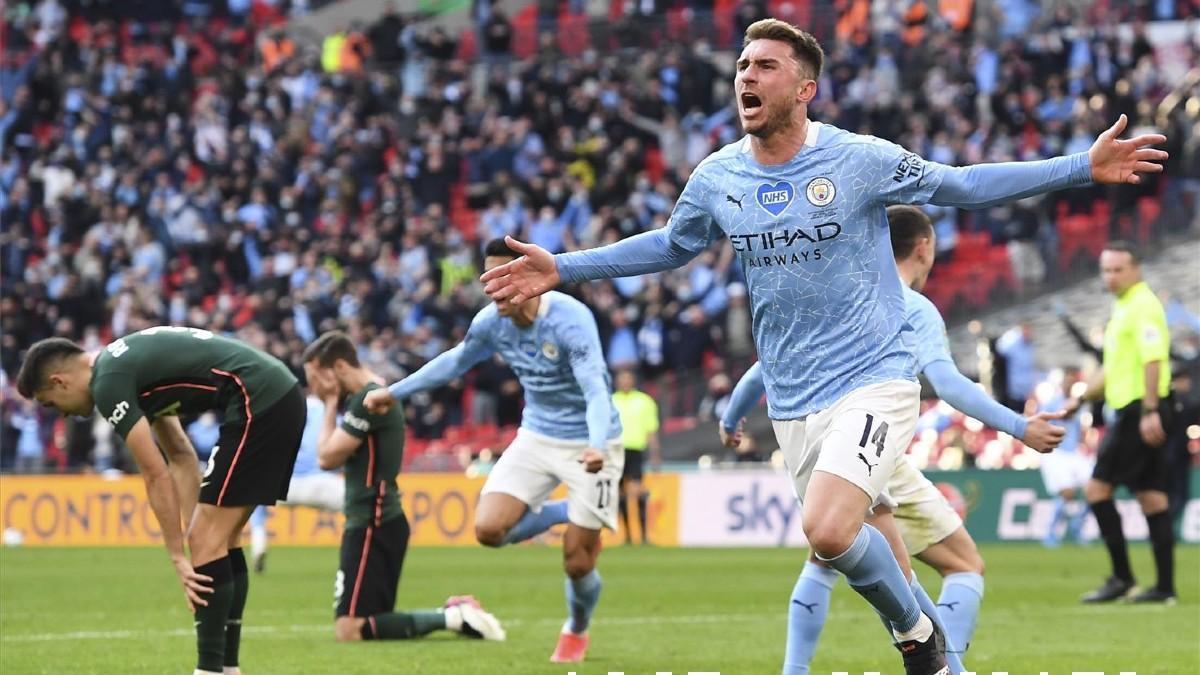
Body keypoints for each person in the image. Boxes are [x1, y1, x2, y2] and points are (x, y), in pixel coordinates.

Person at [478, 18, 1164, 674]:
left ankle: (919, 642)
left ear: (803, 89)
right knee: (862, 548)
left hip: (874, 380)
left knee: (829, 530)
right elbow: (668, 245)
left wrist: (1080, 165)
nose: (747, 76)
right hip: (795, 402)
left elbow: (963, 184)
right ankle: (939, 657)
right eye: (743, 65)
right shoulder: (719, 177)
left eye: (766, 66)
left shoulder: (858, 159)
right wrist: (564, 266)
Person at [719, 205, 1065, 674]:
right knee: (962, 564)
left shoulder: (838, 294)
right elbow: (946, 383)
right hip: (869, 441)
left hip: (815, 434)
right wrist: (1020, 427)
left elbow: (766, 367)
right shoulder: (911, 306)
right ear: (924, 247)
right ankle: (949, 668)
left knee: (830, 556)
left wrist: (731, 415)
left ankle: (796, 671)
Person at [364, 238, 624, 664]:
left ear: (530, 275)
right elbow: (455, 361)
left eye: (503, 277)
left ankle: (576, 629)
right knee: (488, 530)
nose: (493, 288)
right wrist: (396, 392)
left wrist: (596, 446)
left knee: (577, 563)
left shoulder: (570, 320)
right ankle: (565, 511)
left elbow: (596, 390)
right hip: (537, 435)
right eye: (488, 278)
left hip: (592, 443)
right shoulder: (492, 321)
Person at [17, 326, 308, 675]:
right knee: (218, 540)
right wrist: (194, 543)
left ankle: (210, 670)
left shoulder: (108, 382)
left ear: (60, 381)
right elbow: (181, 456)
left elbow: (156, 474)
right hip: (274, 395)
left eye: (52, 404)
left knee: (207, 539)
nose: (62, 415)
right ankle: (226, 669)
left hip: (257, 401)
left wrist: (178, 556)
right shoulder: (125, 367)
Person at [301, 331, 505, 642]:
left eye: (316, 378)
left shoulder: (370, 401)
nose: (314, 388)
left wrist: (329, 403)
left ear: (339, 367)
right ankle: (455, 616)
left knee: (350, 629)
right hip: (374, 520)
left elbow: (327, 457)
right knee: (367, 624)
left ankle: (455, 616)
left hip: (374, 520)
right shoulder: (370, 396)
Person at [1065, 241, 1177, 604]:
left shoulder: (1143, 306)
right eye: (1106, 270)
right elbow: (1112, 370)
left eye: (1118, 270)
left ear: (1136, 269)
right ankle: (1164, 588)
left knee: (1097, 490)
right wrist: (1080, 399)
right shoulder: (1125, 307)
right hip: (1141, 407)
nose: (1110, 277)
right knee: (1152, 498)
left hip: (1137, 411)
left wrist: (1148, 410)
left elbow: (1153, 359)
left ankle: (1122, 578)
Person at [248, 393, 344, 574]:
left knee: (257, 496)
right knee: (359, 508)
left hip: (284, 486)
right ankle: (356, 551)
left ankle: (258, 542)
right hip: (322, 483)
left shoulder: (286, 412)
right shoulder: (330, 413)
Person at [1036, 368, 1093, 547]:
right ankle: (1051, 533)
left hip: (1073, 452)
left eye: (1072, 381)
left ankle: (1077, 524)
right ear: (1061, 383)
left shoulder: (1078, 404)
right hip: (1056, 452)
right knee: (1067, 492)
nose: (1069, 384)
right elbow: (1040, 423)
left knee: (1095, 489)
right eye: (1067, 380)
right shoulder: (1052, 403)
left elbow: (1080, 429)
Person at [612, 369, 661, 545]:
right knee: (620, 494)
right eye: (622, 378)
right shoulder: (611, 401)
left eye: (628, 378)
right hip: (615, 450)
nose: (625, 382)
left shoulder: (644, 401)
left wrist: (655, 454)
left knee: (638, 491)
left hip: (635, 450)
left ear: (633, 380)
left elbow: (651, 430)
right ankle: (627, 536)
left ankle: (644, 535)